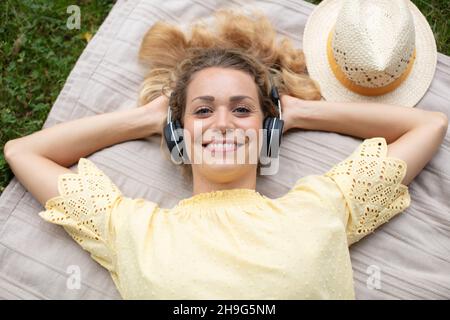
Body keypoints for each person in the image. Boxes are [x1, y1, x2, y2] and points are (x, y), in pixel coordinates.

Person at [3, 10, 448, 299]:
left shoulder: (325, 205)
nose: (222, 123)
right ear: (179, 136)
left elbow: (429, 125)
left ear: (267, 131)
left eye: (242, 109)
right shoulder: (129, 229)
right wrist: (144, 119)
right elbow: (21, 151)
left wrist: (300, 111)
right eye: (202, 110)